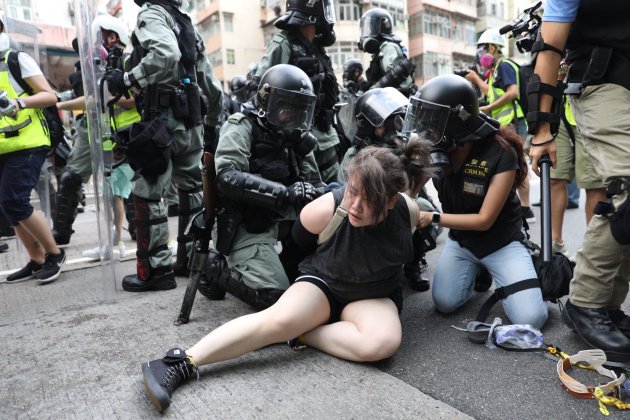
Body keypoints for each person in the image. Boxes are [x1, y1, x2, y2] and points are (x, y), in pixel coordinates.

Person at [140, 135, 433, 413]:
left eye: (368, 200)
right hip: (324, 285)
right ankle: (179, 362)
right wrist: (294, 307)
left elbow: (408, 249)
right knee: (276, 321)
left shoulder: (408, 210)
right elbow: (296, 251)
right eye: (352, 192)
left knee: (382, 344)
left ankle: (303, 334)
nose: (354, 206)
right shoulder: (324, 210)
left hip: (373, 295)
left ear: (391, 201)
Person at [528, 0, 630, 364]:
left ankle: (607, 306)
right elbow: (550, 45)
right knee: (627, 192)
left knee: (621, 203)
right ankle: (585, 303)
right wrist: (541, 130)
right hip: (605, 81)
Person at [407, 74, 548, 329]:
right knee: (445, 303)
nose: (425, 126)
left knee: (531, 319)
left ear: (457, 121)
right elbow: (410, 194)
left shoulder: (500, 153)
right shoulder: (435, 147)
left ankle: (513, 272)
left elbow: (484, 220)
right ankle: (479, 269)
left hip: (501, 242)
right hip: (462, 241)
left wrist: (432, 217)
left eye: (433, 118)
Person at [197, 64, 324, 310]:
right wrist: (285, 193)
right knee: (275, 303)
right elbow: (228, 177)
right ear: (269, 101)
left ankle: (285, 265)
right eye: (288, 109)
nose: (295, 118)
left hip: (287, 221)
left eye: (301, 110)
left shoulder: (294, 136)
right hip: (247, 223)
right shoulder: (241, 124)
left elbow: (315, 182)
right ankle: (216, 270)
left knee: (320, 287)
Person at [105, 0, 206, 291]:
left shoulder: (151, 14)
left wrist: (126, 78)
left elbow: (166, 53)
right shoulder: (183, 20)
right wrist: (208, 116)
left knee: (148, 190)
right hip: (191, 119)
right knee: (191, 189)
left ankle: (156, 270)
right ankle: (190, 260)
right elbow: (205, 75)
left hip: (163, 121)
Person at [338, 87, 437, 292]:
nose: (394, 128)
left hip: (396, 210)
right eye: (386, 124)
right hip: (367, 217)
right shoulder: (355, 156)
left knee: (424, 207)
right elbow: (347, 198)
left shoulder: (401, 151)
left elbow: (417, 195)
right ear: (367, 126)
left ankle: (414, 262)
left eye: (397, 120)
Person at [52, 16, 135, 246]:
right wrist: (58, 103)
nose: (94, 45)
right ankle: (69, 233)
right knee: (81, 181)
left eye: (98, 37)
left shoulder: (128, 64)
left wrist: (109, 99)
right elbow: (89, 99)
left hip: (123, 133)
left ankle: (137, 232)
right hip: (95, 132)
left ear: (112, 36)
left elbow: (136, 98)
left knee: (125, 187)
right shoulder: (92, 68)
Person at [0, 15, 66, 284]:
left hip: (29, 142)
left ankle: (54, 254)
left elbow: (50, 95)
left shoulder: (15, 59)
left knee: (15, 199)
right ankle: (37, 259)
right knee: (7, 204)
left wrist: (20, 102)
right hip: (4, 145)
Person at [255, 0, 341, 184]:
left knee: (337, 193)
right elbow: (262, 89)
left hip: (327, 135)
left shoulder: (317, 48)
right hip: (299, 138)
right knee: (311, 194)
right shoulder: (283, 43)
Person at [465, 29, 535, 224]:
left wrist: (487, 106)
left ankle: (526, 209)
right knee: (510, 164)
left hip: (513, 121)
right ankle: (519, 207)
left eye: (482, 48)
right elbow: (494, 92)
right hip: (505, 123)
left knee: (517, 164)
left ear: (493, 48)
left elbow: (512, 93)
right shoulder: (495, 70)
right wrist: (478, 80)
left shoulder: (504, 65)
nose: (479, 53)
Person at [359, 7, 417, 97]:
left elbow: (399, 79)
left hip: (396, 102)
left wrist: (373, 91)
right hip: (388, 102)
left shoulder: (388, 47)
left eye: (370, 28)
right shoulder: (380, 51)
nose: (368, 32)